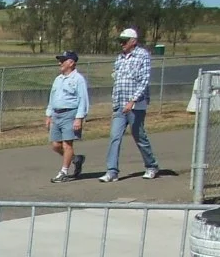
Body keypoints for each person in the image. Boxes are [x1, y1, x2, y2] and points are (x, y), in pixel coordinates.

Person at [100, 27, 159, 183]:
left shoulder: (142, 56)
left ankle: (151, 165)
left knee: (139, 135)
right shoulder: (120, 58)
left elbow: (144, 80)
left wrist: (132, 101)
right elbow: (117, 80)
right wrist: (116, 102)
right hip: (120, 104)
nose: (122, 44)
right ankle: (112, 171)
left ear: (133, 41)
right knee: (114, 136)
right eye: (120, 41)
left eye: (124, 41)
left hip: (136, 105)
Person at [45, 50, 89, 183]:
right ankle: (76, 159)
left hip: (70, 114)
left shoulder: (78, 79)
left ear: (71, 63)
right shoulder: (58, 79)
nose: (60, 63)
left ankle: (64, 171)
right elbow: (52, 98)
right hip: (56, 115)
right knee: (55, 145)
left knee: (67, 145)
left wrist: (79, 118)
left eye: (63, 60)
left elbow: (83, 99)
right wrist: (48, 114)